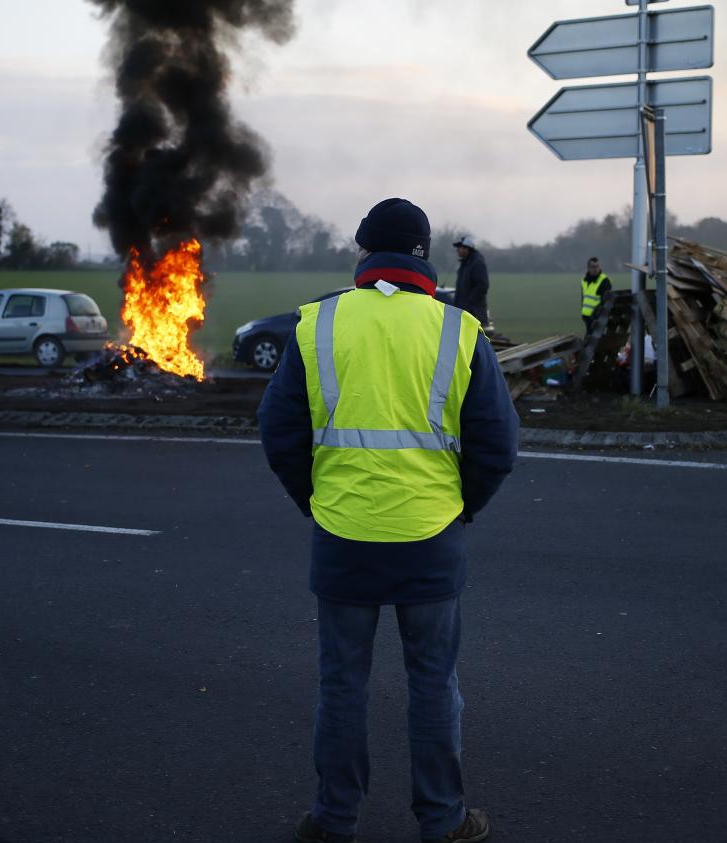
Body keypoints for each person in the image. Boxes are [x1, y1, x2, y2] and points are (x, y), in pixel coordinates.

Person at [258, 198, 517, 843]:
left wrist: (318, 500)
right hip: (431, 539)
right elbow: (497, 444)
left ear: (364, 253)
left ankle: (335, 819)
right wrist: (460, 509)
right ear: (425, 256)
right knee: (433, 683)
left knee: (341, 684)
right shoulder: (458, 331)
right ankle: (443, 820)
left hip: (343, 536)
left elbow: (278, 429)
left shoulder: (317, 325)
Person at [451, 235, 490, 328]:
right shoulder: (466, 263)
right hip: (466, 312)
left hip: (475, 314)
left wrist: (469, 305)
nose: (457, 250)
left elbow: (482, 285)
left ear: (466, 248)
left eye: (459, 247)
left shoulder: (477, 263)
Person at [579, 256, 612, 334]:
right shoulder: (584, 280)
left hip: (597, 317)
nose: (596, 269)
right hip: (586, 316)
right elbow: (584, 298)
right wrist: (583, 312)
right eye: (593, 267)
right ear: (588, 268)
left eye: (597, 266)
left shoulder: (604, 280)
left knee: (594, 341)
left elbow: (606, 300)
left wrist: (596, 314)